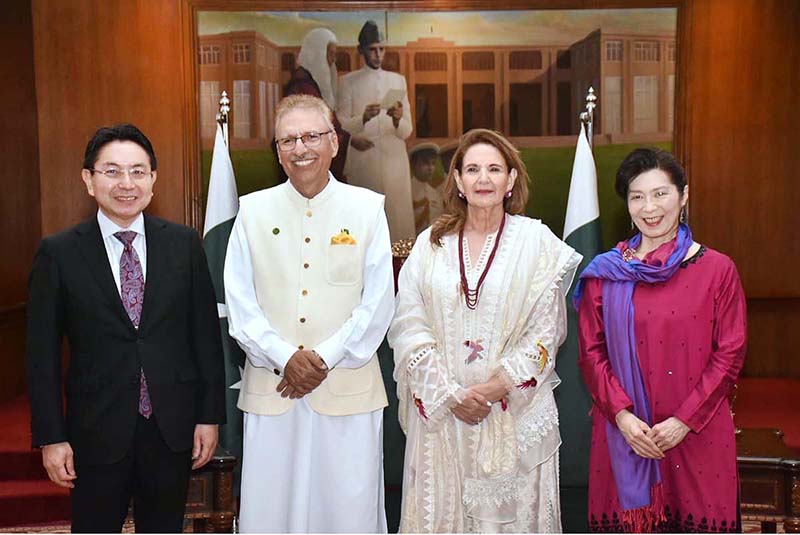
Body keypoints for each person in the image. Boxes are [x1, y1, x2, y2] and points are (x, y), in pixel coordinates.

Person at [26, 124, 226, 532]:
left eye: (137, 171)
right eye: (112, 171)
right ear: (89, 179)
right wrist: (51, 436)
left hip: (170, 429)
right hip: (95, 432)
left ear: (153, 178)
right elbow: (40, 355)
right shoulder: (59, 252)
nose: (126, 183)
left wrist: (209, 416)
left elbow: (204, 338)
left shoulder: (184, 245)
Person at [388, 128, 581, 532]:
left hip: (511, 414)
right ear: (457, 180)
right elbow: (408, 322)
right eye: (472, 169)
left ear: (511, 180)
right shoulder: (430, 245)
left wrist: (496, 388)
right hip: (444, 417)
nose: (483, 179)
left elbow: (547, 331)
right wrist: (449, 394)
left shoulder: (537, 242)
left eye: (494, 169)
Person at [225, 94, 394, 533]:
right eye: (288, 140)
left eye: (311, 137)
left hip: (348, 392)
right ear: (278, 152)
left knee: (347, 514)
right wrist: (285, 357)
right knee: (270, 514)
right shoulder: (251, 211)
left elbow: (377, 303)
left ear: (334, 143)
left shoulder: (368, 208)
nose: (301, 148)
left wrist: (322, 360)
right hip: (273, 391)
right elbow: (241, 304)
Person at [575, 148, 747, 533]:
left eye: (660, 194)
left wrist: (684, 422)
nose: (649, 207)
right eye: (637, 196)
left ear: (683, 196)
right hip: (625, 436)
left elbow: (730, 353)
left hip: (698, 433)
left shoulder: (718, 270)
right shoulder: (606, 273)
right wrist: (621, 417)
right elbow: (590, 353)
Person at [337, 20, 415, 242]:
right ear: (361, 50)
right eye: (373, 50)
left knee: (397, 219)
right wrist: (362, 119)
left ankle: (400, 271)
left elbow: (407, 131)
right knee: (366, 221)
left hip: (395, 158)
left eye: (382, 49)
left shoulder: (398, 81)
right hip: (365, 156)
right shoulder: (348, 82)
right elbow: (340, 124)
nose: (378, 55)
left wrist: (399, 120)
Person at [409, 142, 444, 235]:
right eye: (425, 164)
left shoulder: (435, 193)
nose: (430, 168)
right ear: (413, 165)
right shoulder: (407, 192)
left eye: (433, 163)